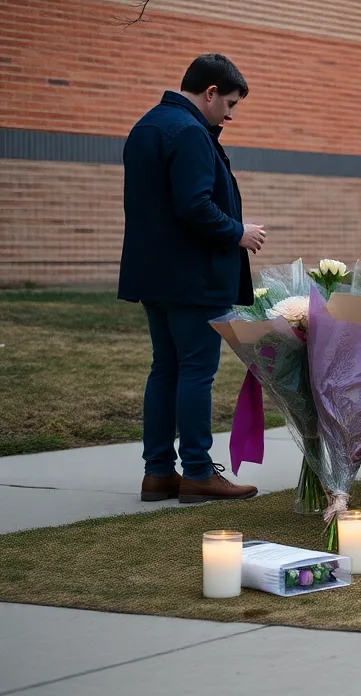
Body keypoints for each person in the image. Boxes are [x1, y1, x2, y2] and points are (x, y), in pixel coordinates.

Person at [118, 54, 266, 504]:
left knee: (165, 369)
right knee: (195, 373)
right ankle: (199, 472)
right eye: (230, 104)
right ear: (210, 93)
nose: (231, 115)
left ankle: (159, 473)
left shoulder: (148, 126)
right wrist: (238, 231)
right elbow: (195, 205)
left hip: (155, 275)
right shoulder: (189, 132)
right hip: (194, 278)